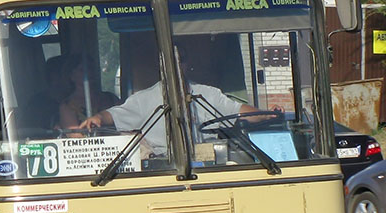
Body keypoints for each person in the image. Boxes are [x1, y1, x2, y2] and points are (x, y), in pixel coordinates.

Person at [78, 43, 260, 154]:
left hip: (207, 169)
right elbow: (115, 115)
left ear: (188, 64)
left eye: (180, 60)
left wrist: (268, 115)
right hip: (163, 169)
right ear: (160, 65)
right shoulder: (144, 99)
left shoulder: (209, 95)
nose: (175, 65)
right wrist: (98, 118)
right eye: (169, 61)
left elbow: (239, 112)